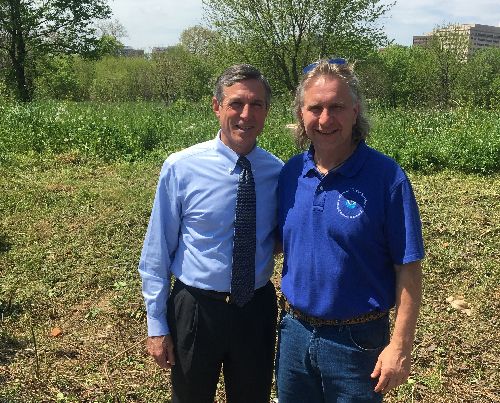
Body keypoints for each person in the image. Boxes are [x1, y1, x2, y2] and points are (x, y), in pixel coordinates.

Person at [276, 58, 424, 402]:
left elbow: (408, 268)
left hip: (358, 343)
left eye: (337, 107)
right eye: (315, 108)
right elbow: (277, 243)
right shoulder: (290, 173)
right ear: (301, 113)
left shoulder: (387, 178)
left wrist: (400, 345)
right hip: (294, 335)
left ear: (355, 111)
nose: (325, 119)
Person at [138, 64, 283, 403]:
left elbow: (279, 236)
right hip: (197, 309)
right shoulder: (181, 167)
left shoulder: (278, 172)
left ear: (266, 112)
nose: (246, 114)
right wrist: (157, 325)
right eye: (236, 103)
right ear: (217, 107)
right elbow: (157, 250)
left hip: (255, 308)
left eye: (256, 104)